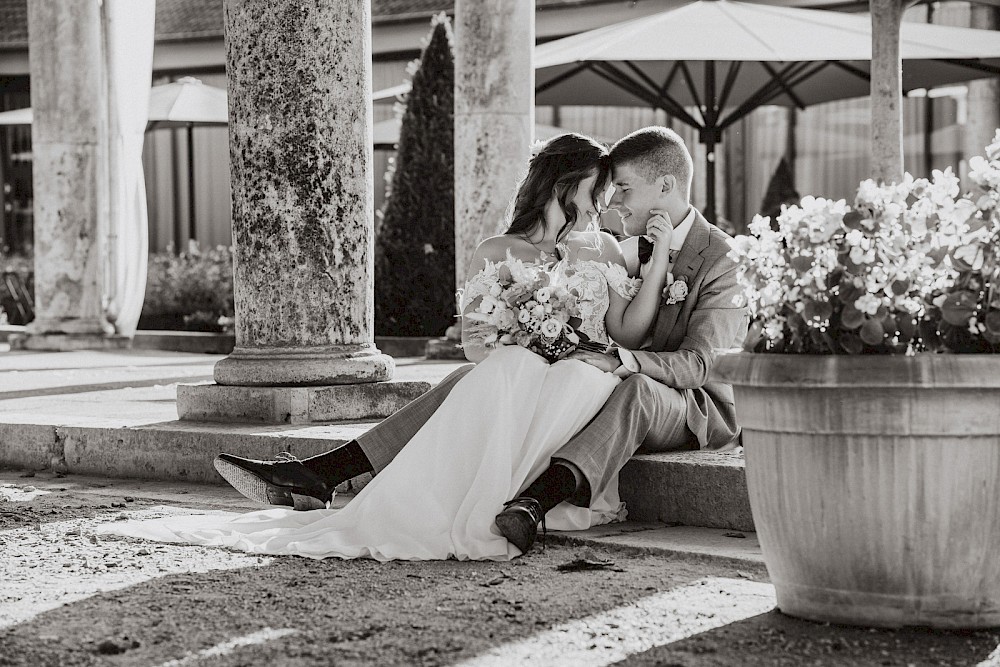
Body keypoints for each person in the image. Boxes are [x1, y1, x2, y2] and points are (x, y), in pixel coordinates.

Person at [98, 132, 681, 560]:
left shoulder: (602, 249)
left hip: (579, 376)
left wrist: (652, 269)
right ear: (565, 187)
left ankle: (331, 472)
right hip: (519, 372)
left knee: (516, 374)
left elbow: (626, 334)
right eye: (597, 189)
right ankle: (375, 486)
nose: (604, 203)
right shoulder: (497, 251)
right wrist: (501, 336)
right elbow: (476, 350)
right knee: (504, 368)